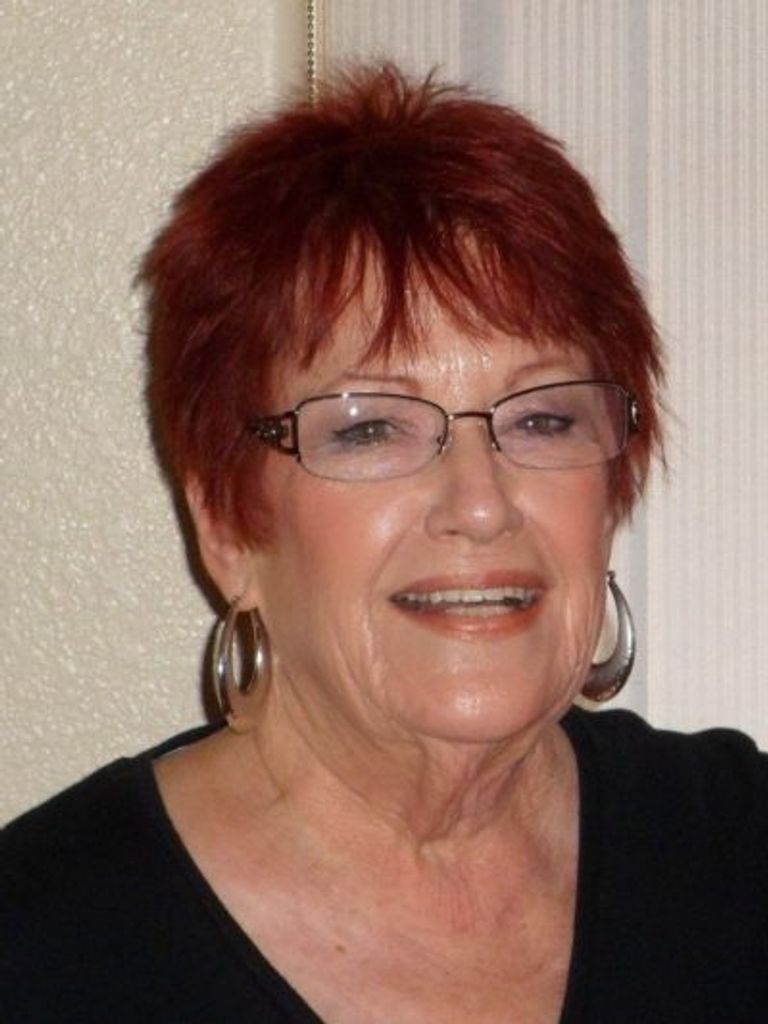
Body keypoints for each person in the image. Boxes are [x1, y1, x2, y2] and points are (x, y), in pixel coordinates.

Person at [2, 63, 766, 1024]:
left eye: (542, 419)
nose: (480, 505)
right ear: (228, 524)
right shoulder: (37, 949)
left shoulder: (740, 855)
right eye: (370, 429)